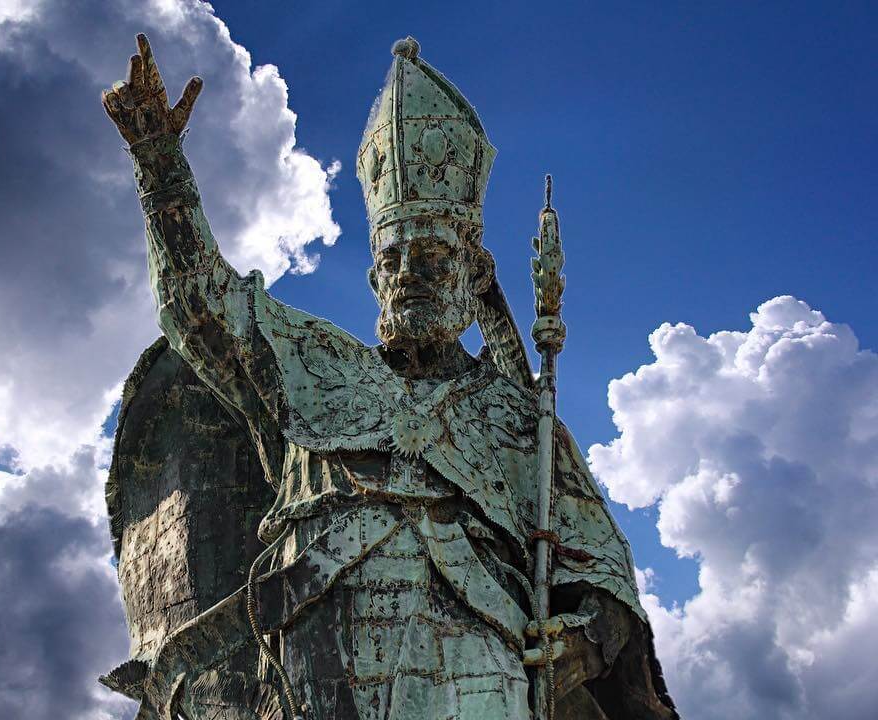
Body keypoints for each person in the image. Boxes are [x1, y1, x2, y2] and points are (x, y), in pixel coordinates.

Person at [100, 33, 676, 720]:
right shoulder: (316, 364)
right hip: (311, 661)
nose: (409, 278)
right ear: (374, 278)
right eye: (394, 262)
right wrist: (159, 164)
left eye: (431, 258)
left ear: (476, 277)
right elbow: (203, 308)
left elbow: (604, 573)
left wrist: (584, 639)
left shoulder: (521, 418)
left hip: (477, 670)